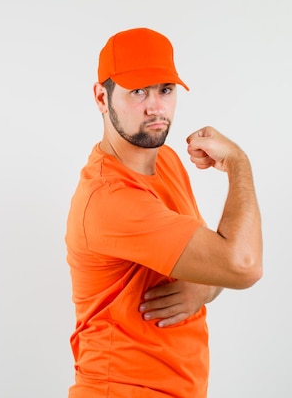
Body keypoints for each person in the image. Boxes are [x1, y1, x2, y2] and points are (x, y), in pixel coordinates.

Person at [65, 27, 263, 398]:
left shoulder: (168, 162)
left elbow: (220, 262)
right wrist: (239, 163)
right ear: (101, 98)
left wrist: (205, 285)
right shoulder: (110, 198)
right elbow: (243, 264)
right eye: (137, 91)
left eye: (164, 90)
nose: (155, 107)